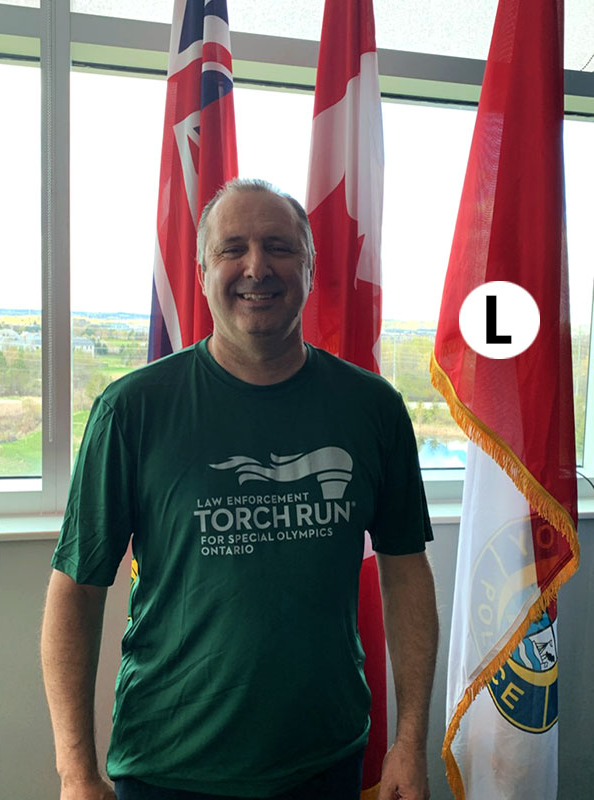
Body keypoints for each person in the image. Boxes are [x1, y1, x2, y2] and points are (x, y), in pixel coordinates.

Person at [41, 179, 437, 800]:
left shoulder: (374, 409)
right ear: (201, 272)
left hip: (325, 758)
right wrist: (75, 773)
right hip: (167, 765)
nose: (257, 267)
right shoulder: (132, 410)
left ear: (308, 267)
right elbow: (77, 592)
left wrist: (409, 741)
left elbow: (406, 570)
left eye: (279, 247)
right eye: (233, 249)